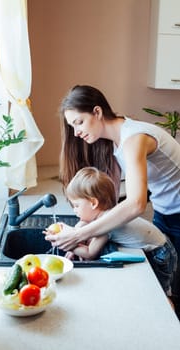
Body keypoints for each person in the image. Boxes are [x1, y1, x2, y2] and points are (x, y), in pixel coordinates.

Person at [45, 85, 180, 314]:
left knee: (170, 294)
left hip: (176, 216)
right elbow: (108, 207)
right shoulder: (118, 140)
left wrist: (79, 235)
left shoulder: (133, 139)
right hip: (165, 213)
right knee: (162, 290)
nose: (76, 132)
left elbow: (136, 203)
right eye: (72, 126)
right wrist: (82, 233)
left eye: (79, 122)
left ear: (97, 112)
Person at [48, 166, 177, 297]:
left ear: (93, 203)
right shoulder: (107, 214)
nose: (74, 210)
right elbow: (83, 225)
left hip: (160, 253)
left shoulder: (106, 226)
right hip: (162, 243)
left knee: (160, 294)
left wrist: (69, 245)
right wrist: (72, 238)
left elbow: (90, 253)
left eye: (76, 205)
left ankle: (170, 314)